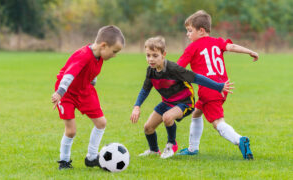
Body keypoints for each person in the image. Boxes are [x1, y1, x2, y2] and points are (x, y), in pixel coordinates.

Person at [130, 36, 234, 159]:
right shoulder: (150, 71)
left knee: (167, 117)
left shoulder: (173, 69)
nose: (151, 59)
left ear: (164, 54)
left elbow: (196, 78)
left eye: (155, 55)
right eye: (148, 55)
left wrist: (218, 86)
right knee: (148, 128)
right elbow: (145, 90)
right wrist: (137, 106)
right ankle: (154, 150)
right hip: (168, 102)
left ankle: (171, 144)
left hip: (185, 102)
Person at [176, 10, 258, 160]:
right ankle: (193, 148)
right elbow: (232, 47)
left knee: (218, 123)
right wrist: (250, 51)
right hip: (222, 87)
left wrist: (164, 75)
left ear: (201, 31)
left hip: (209, 89)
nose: (187, 34)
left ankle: (239, 140)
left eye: (189, 31)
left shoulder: (192, 47)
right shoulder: (217, 41)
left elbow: (178, 67)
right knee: (196, 112)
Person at [51, 25, 125, 170]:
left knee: (101, 122)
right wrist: (60, 92)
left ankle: (91, 157)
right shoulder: (83, 54)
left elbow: (92, 71)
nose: (114, 55)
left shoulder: (100, 56)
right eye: (114, 51)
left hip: (85, 91)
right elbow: (69, 74)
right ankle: (64, 161)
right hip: (67, 92)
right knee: (71, 130)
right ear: (103, 45)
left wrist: (92, 81)